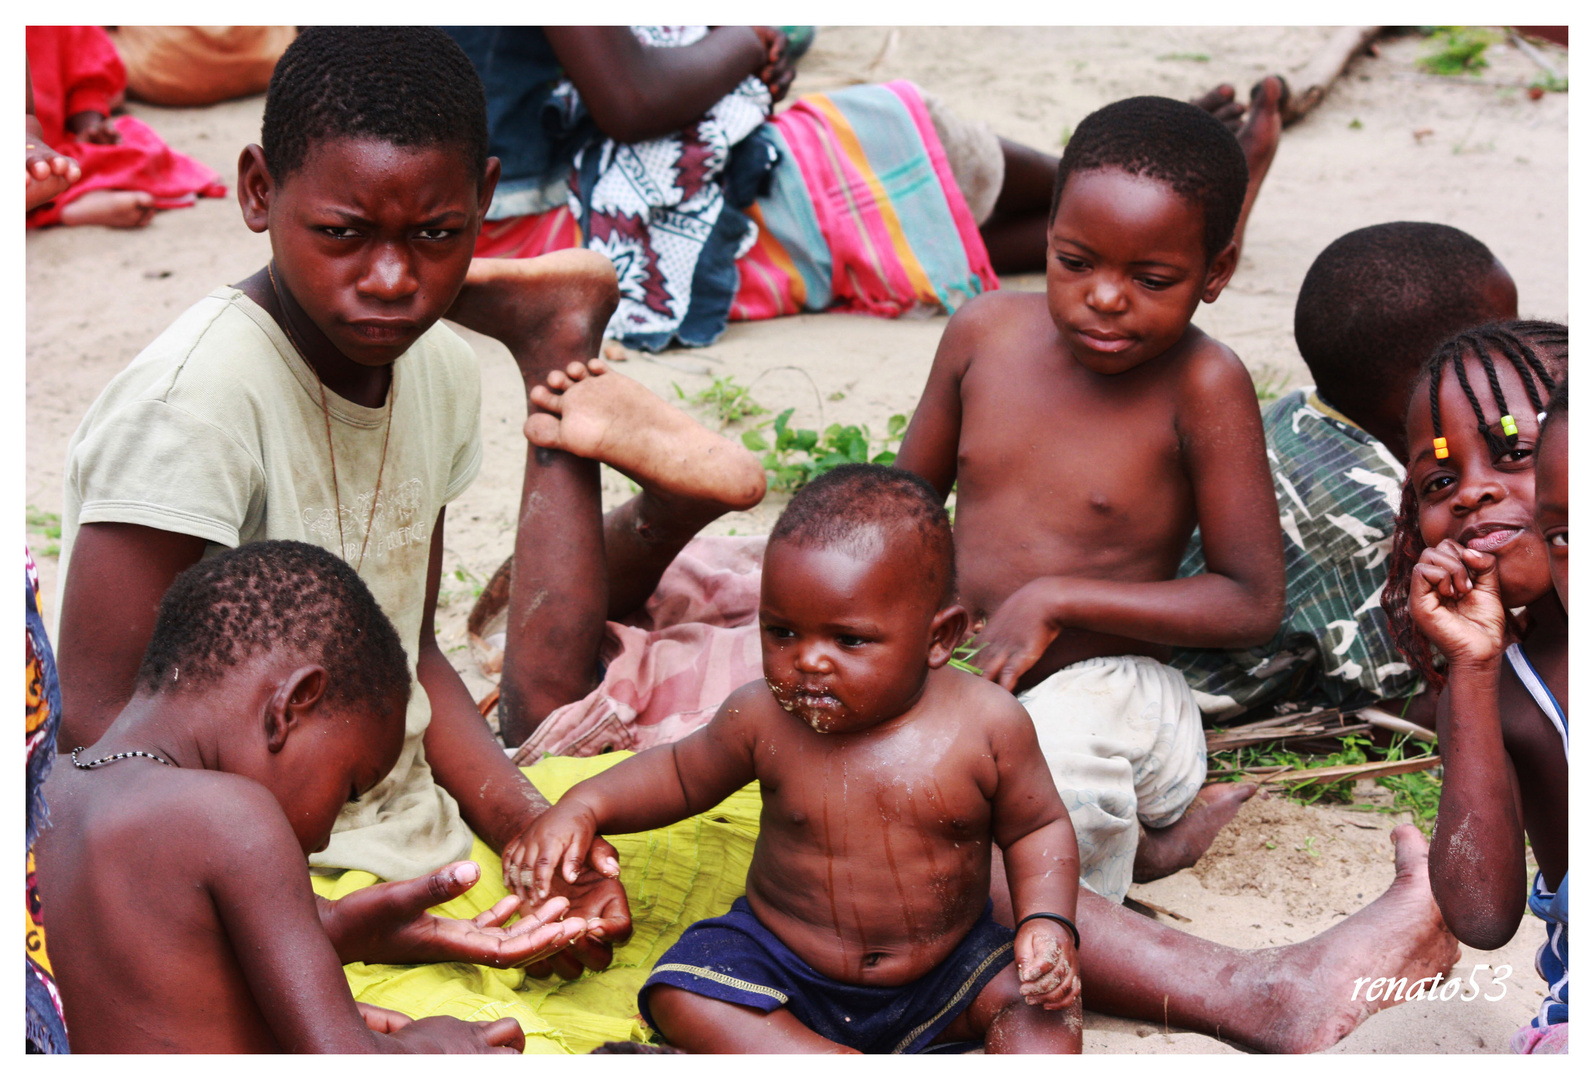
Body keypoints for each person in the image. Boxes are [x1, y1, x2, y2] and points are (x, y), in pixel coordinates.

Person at [51, 27, 768, 1052]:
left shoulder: (430, 370)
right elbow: (96, 737)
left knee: (736, 865)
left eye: (435, 236)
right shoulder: (190, 408)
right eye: (343, 233)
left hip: (380, 831)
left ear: (483, 197)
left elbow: (411, 650)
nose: (390, 279)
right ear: (258, 192)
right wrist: (292, 924)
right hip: (231, 868)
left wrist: (523, 827)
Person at [513, 466, 1083, 1054]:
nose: (808, 660)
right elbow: (679, 774)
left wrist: (1047, 924)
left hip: (947, 971)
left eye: (849, 639)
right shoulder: (761, 717)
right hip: (783, 964)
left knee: (1038, 1005)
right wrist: (584, 805)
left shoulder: (989, 724)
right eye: (781, 632)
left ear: (940, 638)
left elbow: (1037, 826)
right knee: (684, 993)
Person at [894, 94, 1283, 902]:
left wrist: (1059, 597)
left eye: (1150, 277)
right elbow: (901, 511)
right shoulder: (983, 334)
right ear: (1048, 239)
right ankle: (1148, 850)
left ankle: (1068, 941)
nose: (1105, 297)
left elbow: (1250, 602)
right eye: (1077, 263)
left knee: (1051, 786)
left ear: (1216, 272)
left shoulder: (1203, 385)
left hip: (1115, 693)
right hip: (966, 679)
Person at [31, 541, 606, 1053]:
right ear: (291, 707)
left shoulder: (41, 793)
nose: (329, 834)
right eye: (350, 788)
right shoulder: (233, 818)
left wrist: (332, 928)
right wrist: (433, 1047)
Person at [443, 26, 1285, 349]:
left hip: (492, 214)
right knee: (882, 127)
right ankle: (1152, 184)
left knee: (855, 219)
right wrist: (746, 45)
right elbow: (631, 103)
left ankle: (1147, 180)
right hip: (542, 222)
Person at [1171, 223, 1521, 723]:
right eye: (1496, 351)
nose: (1513, 364)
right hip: (1155, 703)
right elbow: (1416, 701)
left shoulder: (1298, 411)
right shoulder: (1386, 526)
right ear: (1430, 379)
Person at [1386, 325, 1568, 1053]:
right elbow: (1481, 915)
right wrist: (1471, 670)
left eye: (1514, 453)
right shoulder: (1512, 697)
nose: (1473, 493)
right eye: (1439, 483)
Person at [24, 25, 225, 228]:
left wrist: (89, 127)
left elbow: (86, 78)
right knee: (36, 178)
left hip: (54, 151)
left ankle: (61, 198)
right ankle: (62, 209)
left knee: (136, 136)